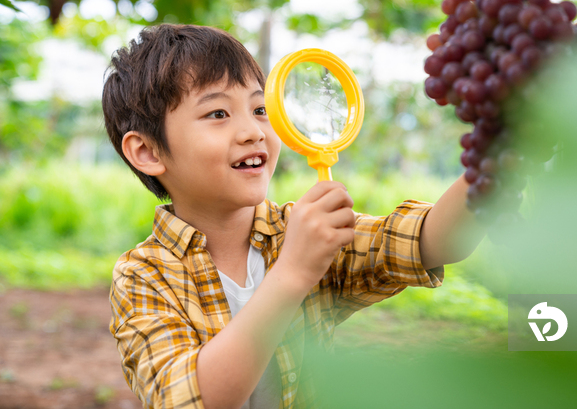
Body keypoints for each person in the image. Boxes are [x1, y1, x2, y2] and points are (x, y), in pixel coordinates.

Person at [103, 23, 484, 409]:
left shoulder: (298, 230)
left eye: (260, 109)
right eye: (218, 113)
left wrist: (493, 159)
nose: (253, 130)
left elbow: (431, 242)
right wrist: (294, 272)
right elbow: (191, 400)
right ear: (148, 152)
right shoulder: (143, 275)